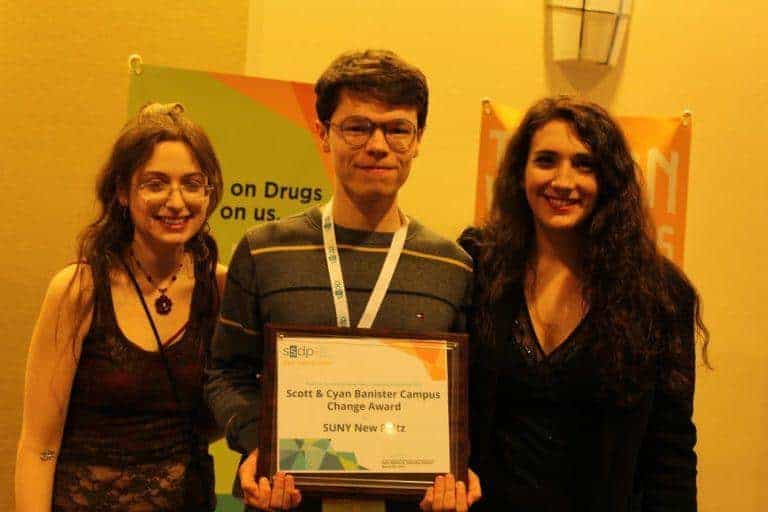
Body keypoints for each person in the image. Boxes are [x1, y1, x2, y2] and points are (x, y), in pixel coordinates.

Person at [205, 49, 481, 512]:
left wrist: (458, 464)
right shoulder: (263, 250)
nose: (378, 145)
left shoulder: (453, 266)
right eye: (357, 127)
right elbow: (224, 374)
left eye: (397, 129)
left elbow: (467, 396)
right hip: (284, 501)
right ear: (323, 134)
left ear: (418, 139)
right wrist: (261, 447)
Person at [460, 96, 707, 511]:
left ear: (609, 179)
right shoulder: (479, 269)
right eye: (546, 161)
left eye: (584, 164)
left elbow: (671, 454)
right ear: (520, 172)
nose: (563, 181)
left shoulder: (659, 294)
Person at [15, 103, 227, 511]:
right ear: (122, 192)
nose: (176, 201)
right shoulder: (79, 290)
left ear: (209, 192)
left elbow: (228, 409)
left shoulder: (221, 288)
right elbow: (40, 446)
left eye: (192, 183)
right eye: (155, 184)